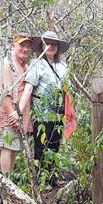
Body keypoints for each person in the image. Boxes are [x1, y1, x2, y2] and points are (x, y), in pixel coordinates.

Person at [10, 30, 70, 184]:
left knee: (55, 144)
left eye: (54, 44)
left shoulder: (63, 66)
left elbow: (67, 90)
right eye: (47, 43)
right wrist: (19, 111)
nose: (51, 47)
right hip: (41, 113)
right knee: (40, 147)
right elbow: (29, 89)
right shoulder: (37, 64)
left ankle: (52, 178)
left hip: (59, 112)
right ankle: (41, 180)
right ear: (42, 45)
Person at [0, 33, 33, 174]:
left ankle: (10, 183)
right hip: (8, 117)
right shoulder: (6, 64)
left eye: (28, 46)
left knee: (14, 148)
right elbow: (3, 92)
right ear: (13, 45)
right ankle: (5, 182)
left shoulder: (24, 65)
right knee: (8, 147)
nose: (25, 49)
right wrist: (12, 115)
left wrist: (19, 115)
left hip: (19, 116)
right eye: (22, 45)